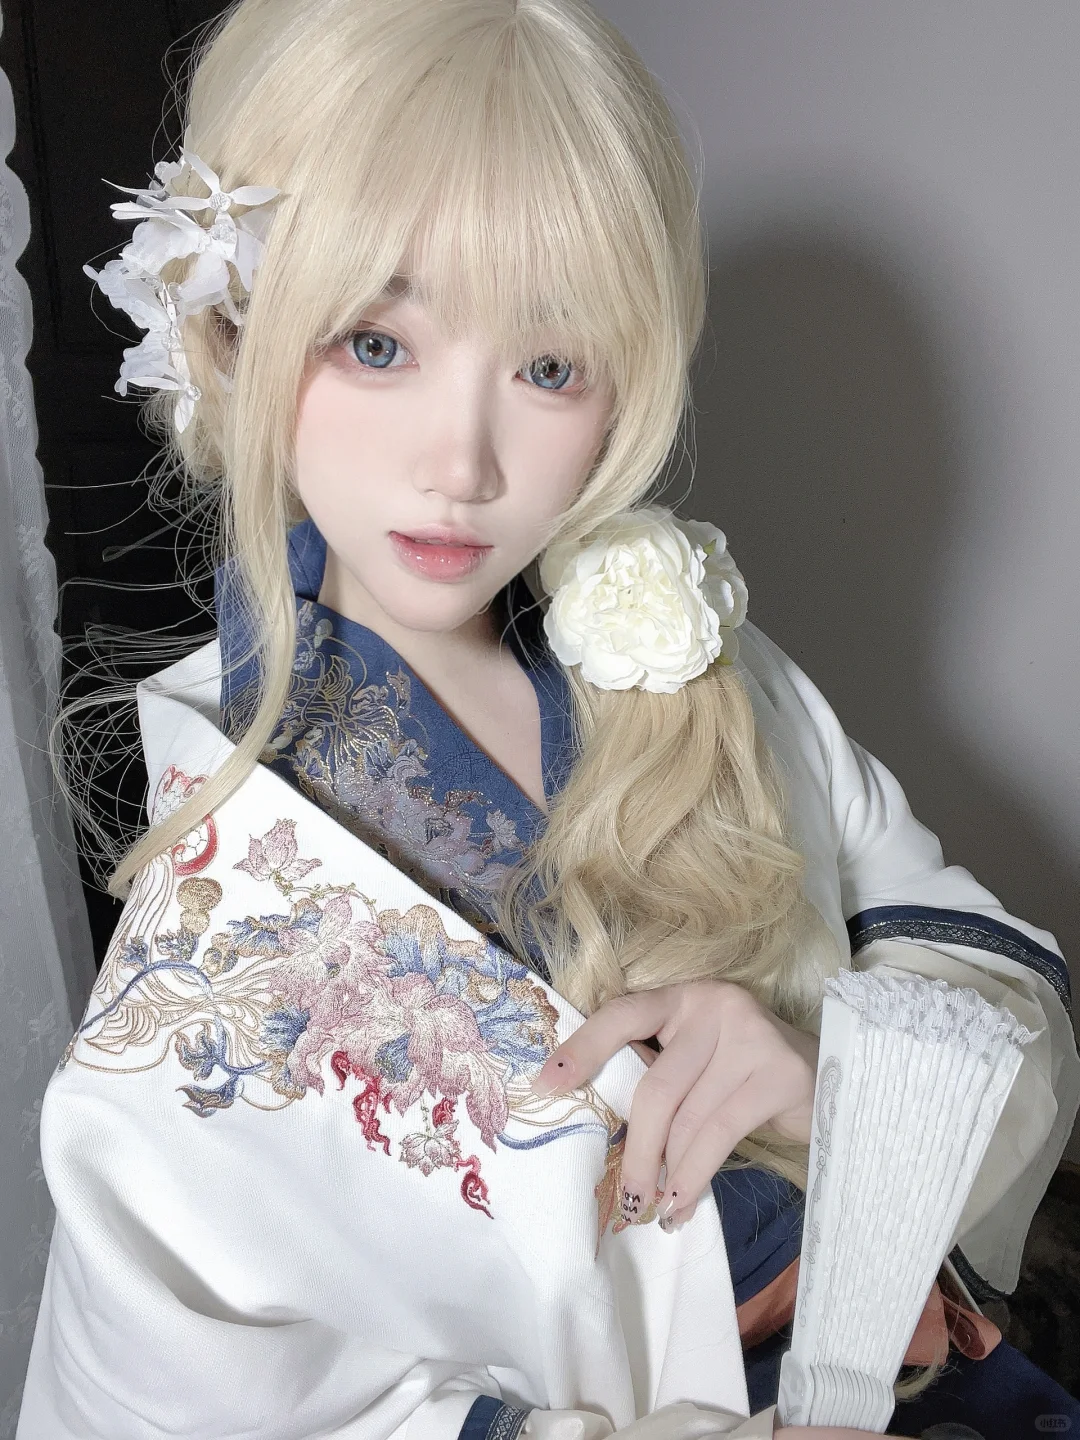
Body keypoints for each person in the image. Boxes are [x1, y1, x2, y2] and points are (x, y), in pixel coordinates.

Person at [16, 2, 1080, 1438]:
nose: (462, 463)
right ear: (230, 322)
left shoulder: (699, 664)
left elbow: (977, 961)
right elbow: (184, 1396)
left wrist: (837, 1082)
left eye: (551, 367)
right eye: (377, 343)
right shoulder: (220, 910)